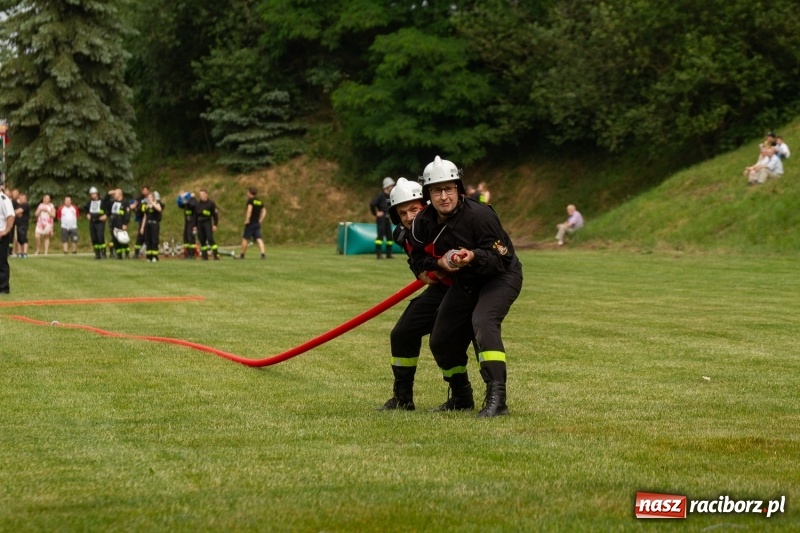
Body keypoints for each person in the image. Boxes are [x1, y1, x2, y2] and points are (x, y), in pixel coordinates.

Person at [409, 156, 523, 417]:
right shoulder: (423, 222)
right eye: (437, 191)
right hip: (465, 282)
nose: (444, 197)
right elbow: (415, 256)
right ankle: (461, 396)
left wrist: (473, 256)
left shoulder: (480, 216)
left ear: (459, 189)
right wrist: (437, 263)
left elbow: (502, 258)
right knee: (440, 340)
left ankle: (497, 399)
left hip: (500, 277)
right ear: (427, 194)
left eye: (449, 189)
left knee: (483, 322)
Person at [378, 177, 442, 411]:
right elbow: (416, 261)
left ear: (426, 206)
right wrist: (419, 270)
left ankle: (461, 397)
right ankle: (403, 398)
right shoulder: (402, 236)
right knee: (403, 333)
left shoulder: (445, 225)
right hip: (440, 289)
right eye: (403, 213)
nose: (410, 217)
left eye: (415, 209)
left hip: (467, 288)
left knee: (446, 339)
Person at [369, 177, 395, 259]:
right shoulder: (380, 195)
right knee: (380, 236)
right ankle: (378, 254)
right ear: (387, 186)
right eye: (391, 185)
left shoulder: (390, 196)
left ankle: (389, 254)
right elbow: (372, 204)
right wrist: (375, 213)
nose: (392, 187)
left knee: (389, 237)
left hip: (387, 218)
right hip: (381, 219)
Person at [240, 186, 266, 259]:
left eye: (247, 192)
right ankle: (263, 254)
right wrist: (261, 220)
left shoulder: (250, 200)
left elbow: (249, 210)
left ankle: (242, 255)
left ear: (249, 193)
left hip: (251, 223)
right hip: (257, 223)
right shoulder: (259, 201)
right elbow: (264, 211)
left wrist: (247, 219)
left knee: (245, 238)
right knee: (259, 238)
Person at [194, 188, 219, 260]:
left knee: (210, 238)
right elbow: (195, 216)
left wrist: (215, 224)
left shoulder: (211, 203)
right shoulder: (197, 204)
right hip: (199, 223)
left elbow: (215, 215)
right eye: (200, 195)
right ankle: (205, 256)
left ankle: (216, 255)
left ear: (206, 195)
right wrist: (195, 225)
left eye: (202, 195)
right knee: (202, 239)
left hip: (207, 222)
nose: (201, 196)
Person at [140, 191, 164, 262]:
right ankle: (149, 256)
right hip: (148, 224)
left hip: (154, 224)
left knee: (154, 240)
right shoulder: (147, 206)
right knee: (148, 240)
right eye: (148, 197)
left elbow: (159, 209)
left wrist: (153, 203)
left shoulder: (157, 204)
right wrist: (142, 227)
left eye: (150, 197)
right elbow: (145, 216)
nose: (149, 199)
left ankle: (155, 256)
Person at [84, 186, 108, 259]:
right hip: (92, 222)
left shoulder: (102, 201)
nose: (93, 195)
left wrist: (105, 215)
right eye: (91, 194)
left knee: (100, 237)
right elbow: (85, 209)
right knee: (94, 238)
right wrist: (87, 214)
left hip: (100, 222)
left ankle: (103, 253)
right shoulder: (89, 202)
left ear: (97, 194)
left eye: (94, 194)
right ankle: (97, 253)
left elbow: (108, 209)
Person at [0, 183, 15, 294]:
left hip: (1, 235)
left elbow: (11, 216)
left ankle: (3, 288)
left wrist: (5, 231)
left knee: (1, 261)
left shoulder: (4, 199)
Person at [108, 189, 131, 259]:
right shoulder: (113, 202)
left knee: (122, 239)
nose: (114, 195)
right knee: (115, 240)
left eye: (115, 194)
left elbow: (127, 213)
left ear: (120, 194)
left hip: (121, 223)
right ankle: (119, 254)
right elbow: (105, 202)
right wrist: (109, 193)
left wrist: (125, 223)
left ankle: (127, 254)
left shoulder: (125, 202)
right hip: (113, 223)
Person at [177, 191, 198, 259]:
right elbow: (180, 205)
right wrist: (180, 198)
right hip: (187, 222)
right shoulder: (185, 204)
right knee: (185, 237)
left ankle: (192, 254)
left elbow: (193, 205)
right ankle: (187, 253)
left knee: (190, 237)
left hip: (192, 222)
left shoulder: (193, 201)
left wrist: (191, 198)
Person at [132, 185, 150, 259]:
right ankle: (136, 253)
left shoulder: (151, 197)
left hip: (151, 218)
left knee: (149, 236)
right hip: (142, 218)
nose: (144, 192)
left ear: (148, 190)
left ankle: (149, 253)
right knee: (140, 236)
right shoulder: (139, 198)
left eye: (145, 190)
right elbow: (135, 206)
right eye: (143, 190)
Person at [14, 193, 30, 258]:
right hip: (18, 224)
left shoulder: (26, 205)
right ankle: (20, 252)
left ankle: (25, 252)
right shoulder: (19, 205)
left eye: (21, 198)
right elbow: (16, 212)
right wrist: (17, 212)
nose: (20, 199)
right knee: (19, 238)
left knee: (24, 238)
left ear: (25, 198)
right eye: (20, 198)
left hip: (24, 224)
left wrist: (17, 212)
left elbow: (17, 212)